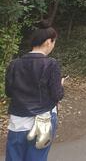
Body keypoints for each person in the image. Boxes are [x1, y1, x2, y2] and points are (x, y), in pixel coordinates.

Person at [5, 24, 65, 161]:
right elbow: (57, 95)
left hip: (17, 122)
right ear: (48, 41)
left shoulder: (14, 64)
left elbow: (9, 92)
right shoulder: (51, 64)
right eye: (53, 42)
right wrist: (60, 85)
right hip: (43, 121)